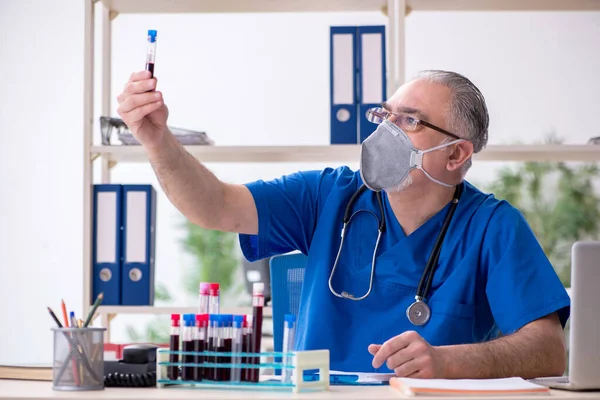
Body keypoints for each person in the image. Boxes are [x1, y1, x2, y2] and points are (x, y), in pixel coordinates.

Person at [117, 69, 570, 379]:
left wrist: (450, 361)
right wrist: (157, 141)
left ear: (456, 155)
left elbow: (548, 350)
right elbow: (214, 205)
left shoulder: (493, 227)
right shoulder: (327, 196)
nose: (386, 131)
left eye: (409, 121)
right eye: (385, 115)